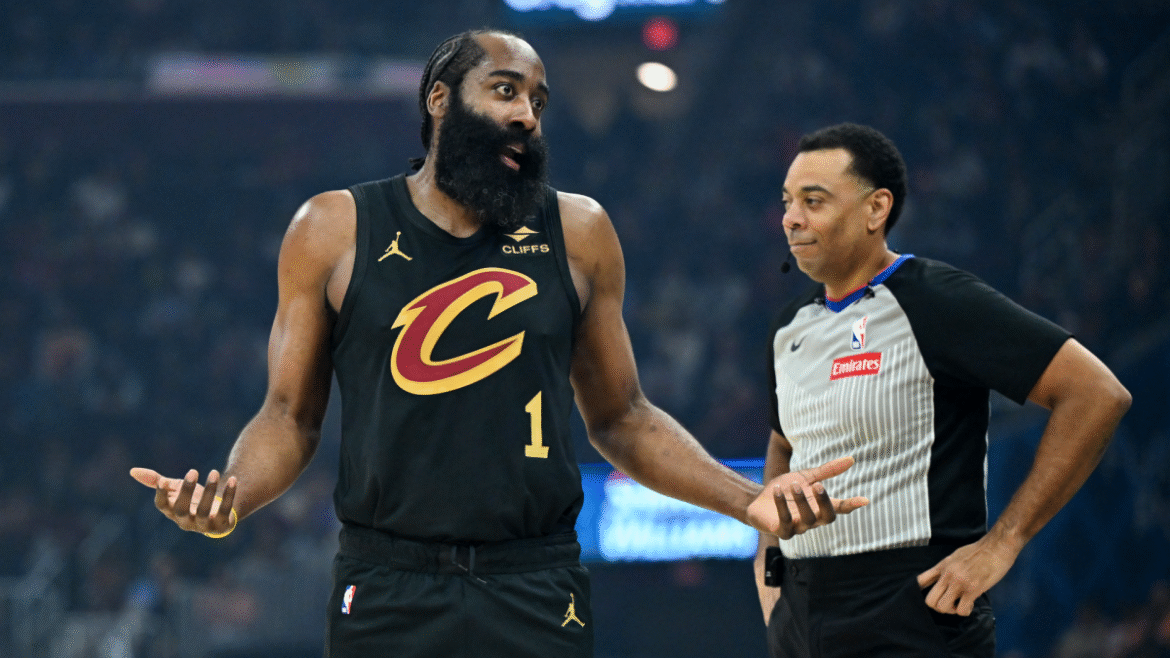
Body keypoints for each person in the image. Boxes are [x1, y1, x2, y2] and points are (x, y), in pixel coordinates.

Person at [129, 28, 821, 657]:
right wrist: (233, 497)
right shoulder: (333, 227)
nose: (526, 115)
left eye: (538, 102)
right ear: (439, 100)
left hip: (534, 578)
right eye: (505, 90)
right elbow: (288, 416)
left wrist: (747, 499)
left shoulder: (579, 230)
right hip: (388, 580)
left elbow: (623, 418)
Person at [753, 122, 1132, 657]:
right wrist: (768, 561)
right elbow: (783, 443)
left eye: (813, 201)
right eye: (788, 201)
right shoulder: (788, 326)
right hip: (799, 610)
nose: (791, 218)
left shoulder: (936, 299)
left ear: (876, 209)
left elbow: (1096, 394)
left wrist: (1005, 541)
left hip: (913, 608)